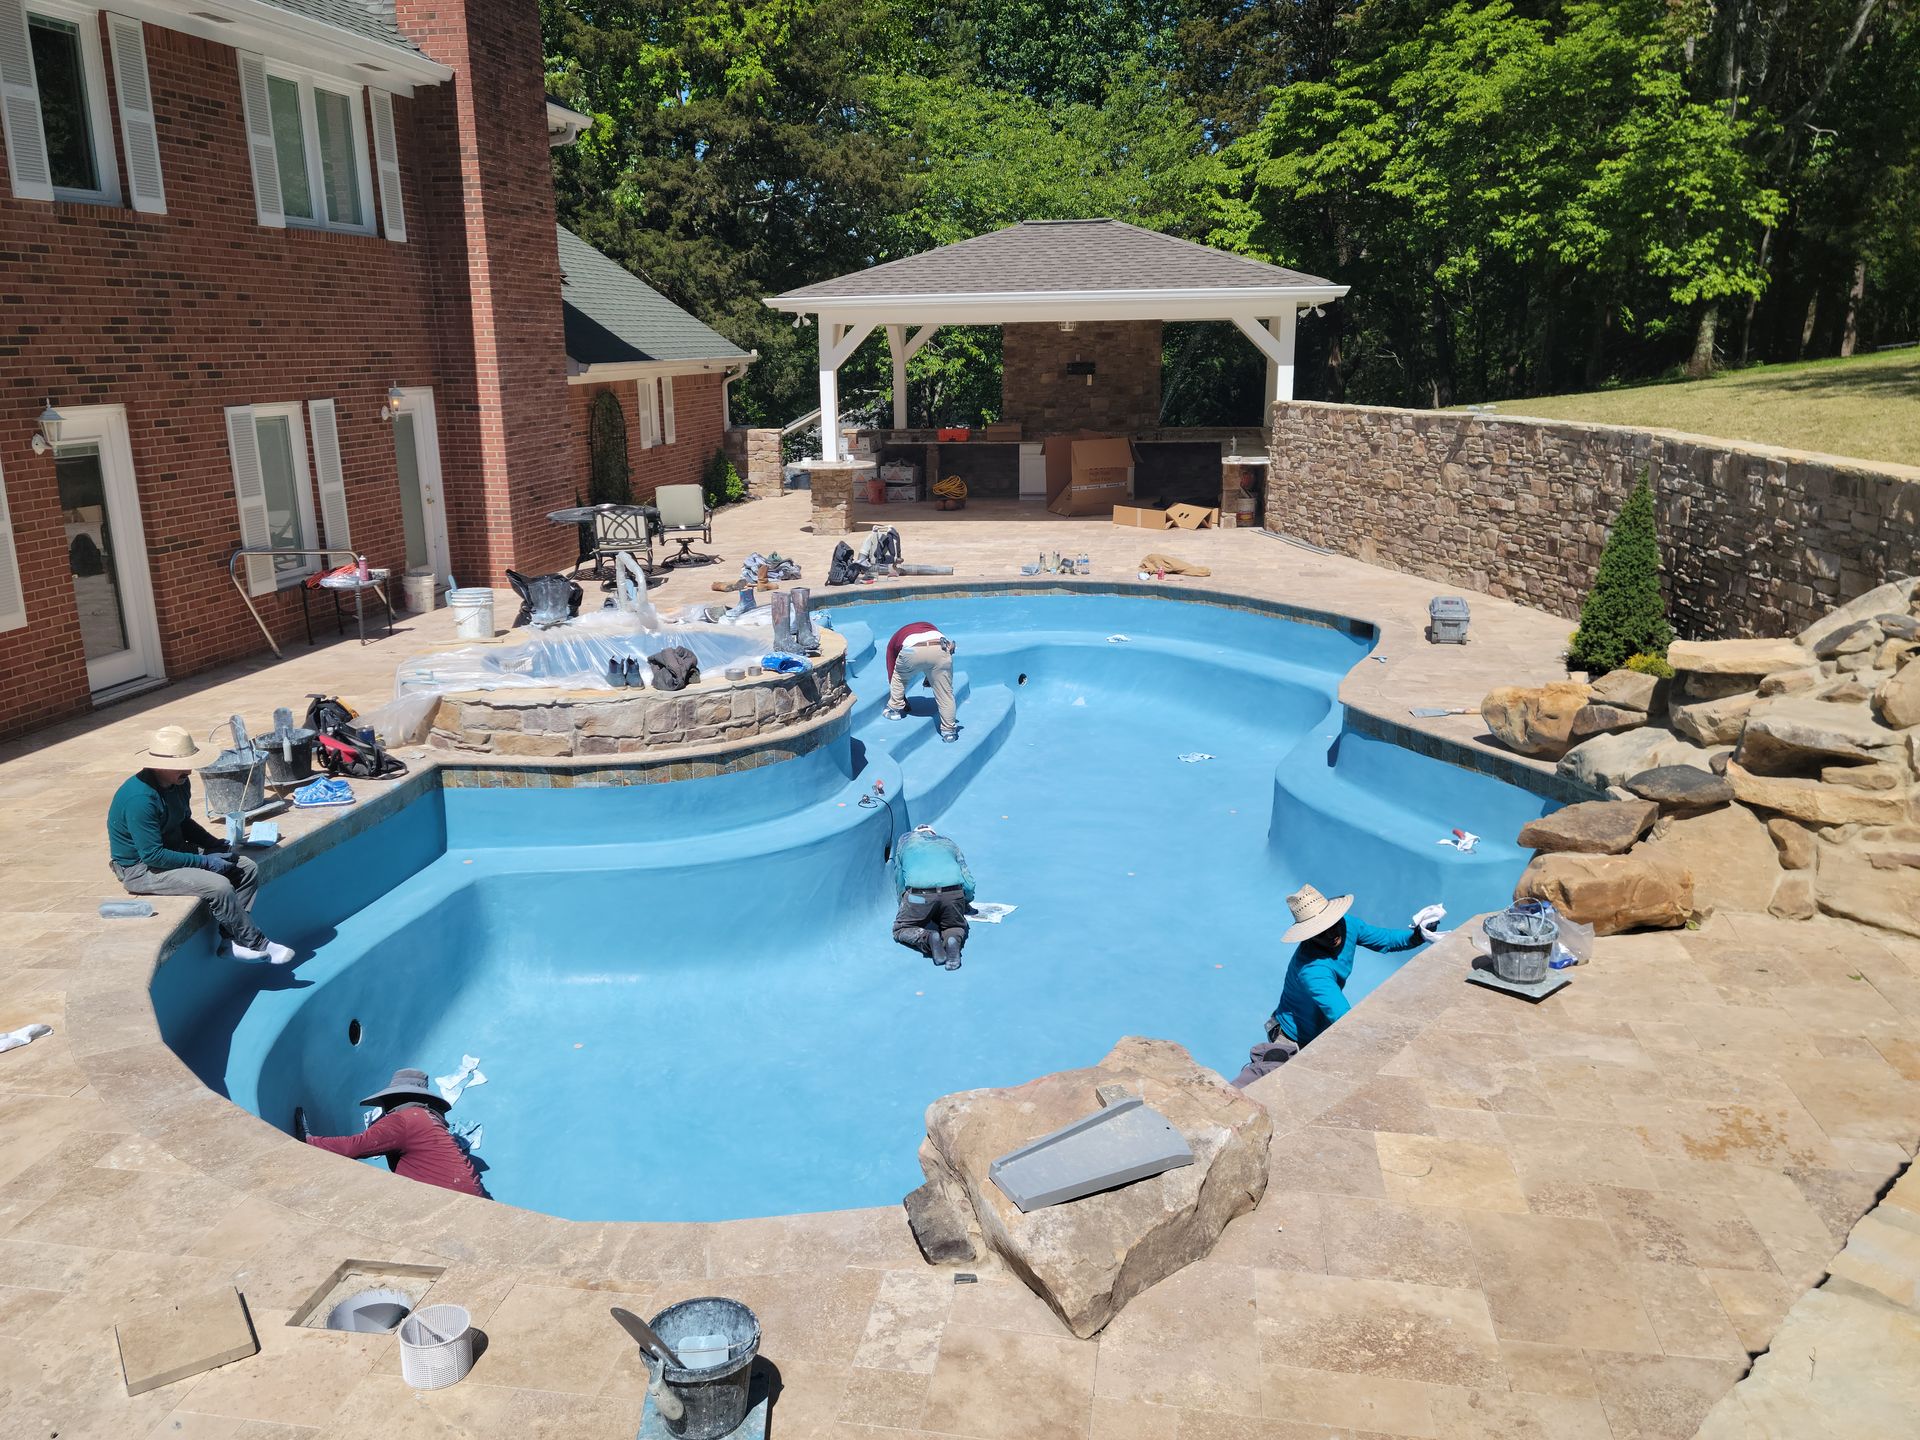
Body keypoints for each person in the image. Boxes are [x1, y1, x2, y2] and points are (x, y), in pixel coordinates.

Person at [107, 726, 294, 965]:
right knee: (218, 885)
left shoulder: (178, 783)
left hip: (172, 850)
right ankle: (258, 943)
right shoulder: (140, 800)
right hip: (140, 868)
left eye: (189, 764)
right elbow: (153, 855)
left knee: (246, 868)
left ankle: (230, 942)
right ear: (159, 766)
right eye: (182, 765)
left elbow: (184, 822)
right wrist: (205, 862)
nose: (188, 770)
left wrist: (213, 844)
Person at [1264, 885, 1444, 1061]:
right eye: (1320, 933)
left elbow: (1386, 939)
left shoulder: (1347, 924)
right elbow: (1342, 1015)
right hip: (1290, 1039)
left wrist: (1418, 936)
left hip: (1318, 1032)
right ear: (1310, 936)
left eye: (1332, 924)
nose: (1331, 935)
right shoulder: (1312, 970)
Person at [296, 1067, 486, 1197]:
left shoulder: (403, 1119)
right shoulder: (429, 1120)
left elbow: (353, 1147)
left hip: (449, 1202)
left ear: (395, 1098)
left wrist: (309, 1140)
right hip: (474, 1203)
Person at [891, 824, 975, 970]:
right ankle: (952, 940)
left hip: (919, 897)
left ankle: (928, 938)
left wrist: (903, 902)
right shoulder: (949, 843)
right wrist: (964, 901)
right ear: (933, 833)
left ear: (915, 833)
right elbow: (968, 883)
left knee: (901, 929)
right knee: (954, 926)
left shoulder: (905, 842)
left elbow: (899, 878)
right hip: (952, 894)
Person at [884, 621, 958, 742]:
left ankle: (894, 710)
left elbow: (892, 669)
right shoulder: (933, 630)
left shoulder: (895, 639)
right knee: (945, 693)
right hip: (941, 648)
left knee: (900, 677)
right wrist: (930, 680)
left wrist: (900, 698)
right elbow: (935, 660)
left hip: (912, 650)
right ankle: (949, 732)